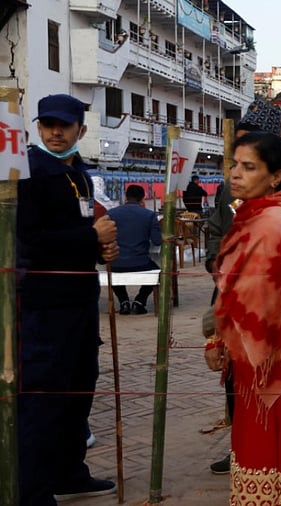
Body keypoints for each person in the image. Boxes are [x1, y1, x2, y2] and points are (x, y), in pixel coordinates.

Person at [204, 132, 281, 503]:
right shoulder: (268, 215)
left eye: (248, 167)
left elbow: (250, 298)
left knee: (263, 435)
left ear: (276, 176)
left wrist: (216, 339)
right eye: (234, 165)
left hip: (266, 349)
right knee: (277, 436)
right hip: (276, 347)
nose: (235, 175)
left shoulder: (269, 222)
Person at [17, 93, 120, 503]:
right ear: (38, 127)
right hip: (43, 304)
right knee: (42, 397)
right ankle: (33, 489)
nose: (55, 132)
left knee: (79, 389)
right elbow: (30, 241)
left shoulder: (79, 173)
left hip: (80, 301)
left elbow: (79, 236)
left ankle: (69, 471)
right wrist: (91, 237)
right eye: (47, 125)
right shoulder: (24, 171)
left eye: (63, 125)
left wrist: (100, 250)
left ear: (82, 129)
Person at [106, 184, 162, 315]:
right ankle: (140, 301)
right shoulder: (149, 215)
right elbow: (157, 241)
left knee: (113, 269)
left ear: (125, 197)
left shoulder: (111, 213)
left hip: (116, 263)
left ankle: (123, 301)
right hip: (140, 263)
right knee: (158, 272)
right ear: (143, 198)